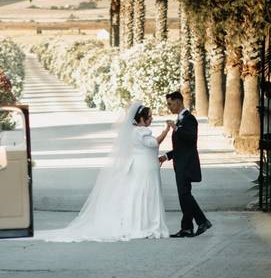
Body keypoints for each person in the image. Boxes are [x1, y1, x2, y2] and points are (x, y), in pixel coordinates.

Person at [41, 101, 171, 242]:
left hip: (146, 169)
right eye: (149, 116)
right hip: (144, 170)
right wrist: (166, 130)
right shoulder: (139, 131)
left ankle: (145, 223)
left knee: (145, 194)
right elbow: (154, 143)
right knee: (145, 194)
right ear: (141, 118)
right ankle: (145, 225)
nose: (152, 118)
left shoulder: (135, 131)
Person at [160, 91, 212, 238]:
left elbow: (191, 139)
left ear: (178, 101)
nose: (169, 107)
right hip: (180, 164)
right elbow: (180, 147)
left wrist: (176, 129)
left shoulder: (190, 119)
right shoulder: (180, 119)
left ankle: (202, 221)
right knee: (184, 196)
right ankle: (187, 228)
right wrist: (166, 156)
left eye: (170, 103)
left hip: (187, 164)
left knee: (185, 195)